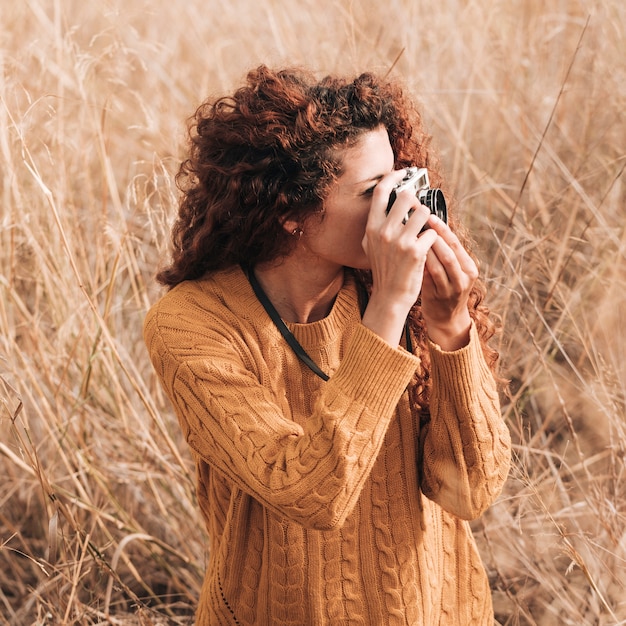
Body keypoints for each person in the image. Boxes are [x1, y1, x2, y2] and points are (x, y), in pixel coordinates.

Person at [144, 64, 511, 625]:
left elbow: (470, 492)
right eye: (373, 192)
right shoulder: (194, 324)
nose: (403, 208)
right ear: (290, 211)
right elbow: (312, 492)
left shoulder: (392, 288)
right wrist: (388, 307)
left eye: (400, 179)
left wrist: (450, 329)